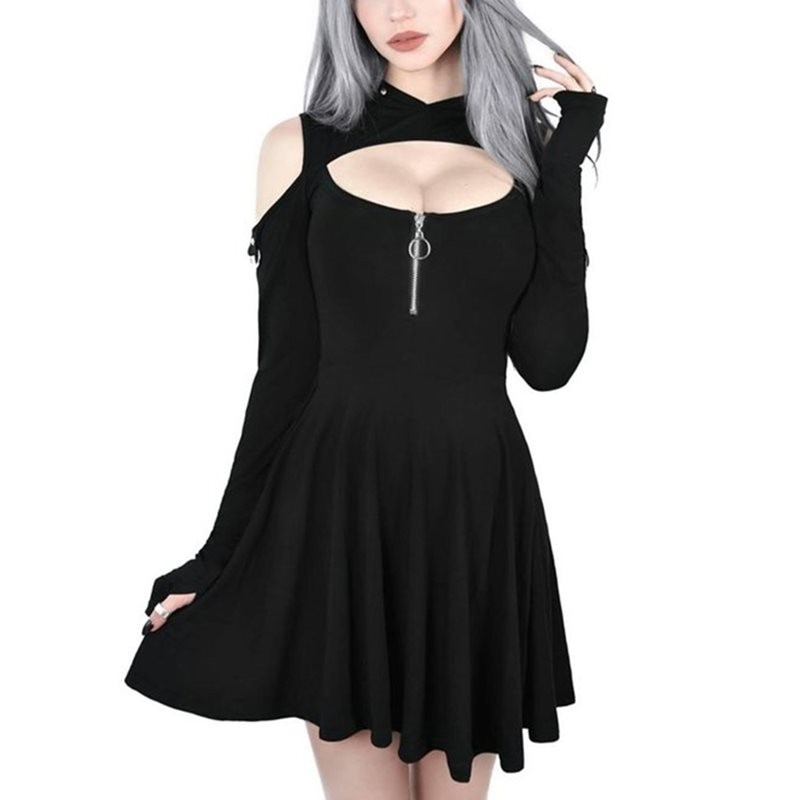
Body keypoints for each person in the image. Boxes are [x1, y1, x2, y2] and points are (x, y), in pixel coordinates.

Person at [123, 1, 608, 797]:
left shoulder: (525, 152)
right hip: (338, 507)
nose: (398, 10)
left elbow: (548, 364)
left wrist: (561, 174)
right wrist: (218, 556)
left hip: (474, 510)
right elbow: (284, 370)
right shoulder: (299, 146)